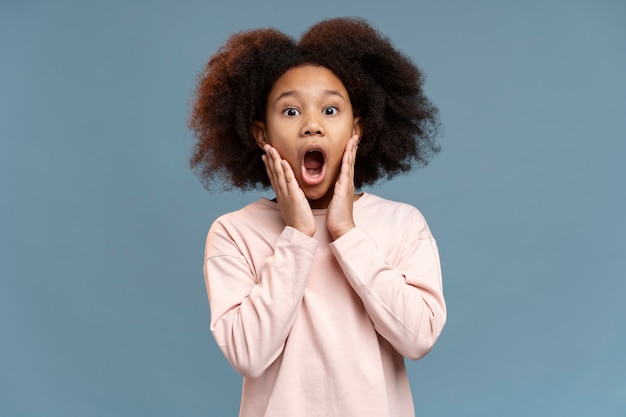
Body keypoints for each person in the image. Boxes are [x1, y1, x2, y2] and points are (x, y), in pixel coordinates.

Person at [188, 17, 446, 417]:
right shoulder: (233, 233)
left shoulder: (402, 224)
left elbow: (418, 338)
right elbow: (247, 354)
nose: (312, 126)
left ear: (356, 127)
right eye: (290, 111)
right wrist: (297, 235)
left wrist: (346, 233)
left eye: (330, 109)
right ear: (262, 133)